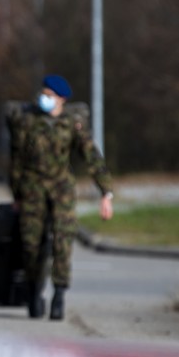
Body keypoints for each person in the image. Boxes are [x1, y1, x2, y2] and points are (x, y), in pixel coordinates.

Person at [8, 74, 114, 320]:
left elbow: (92, 157)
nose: (43, 98)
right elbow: (17, 161)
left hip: (61, 189)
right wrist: (17, 194)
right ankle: (34, 291)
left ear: (61, 100)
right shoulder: (28, 122)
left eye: (49, 95)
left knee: (62, 243)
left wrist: (105, 192)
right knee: (31, 246)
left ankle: (59, 295)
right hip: (32, 189)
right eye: (43, 93)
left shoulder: (72, 124)